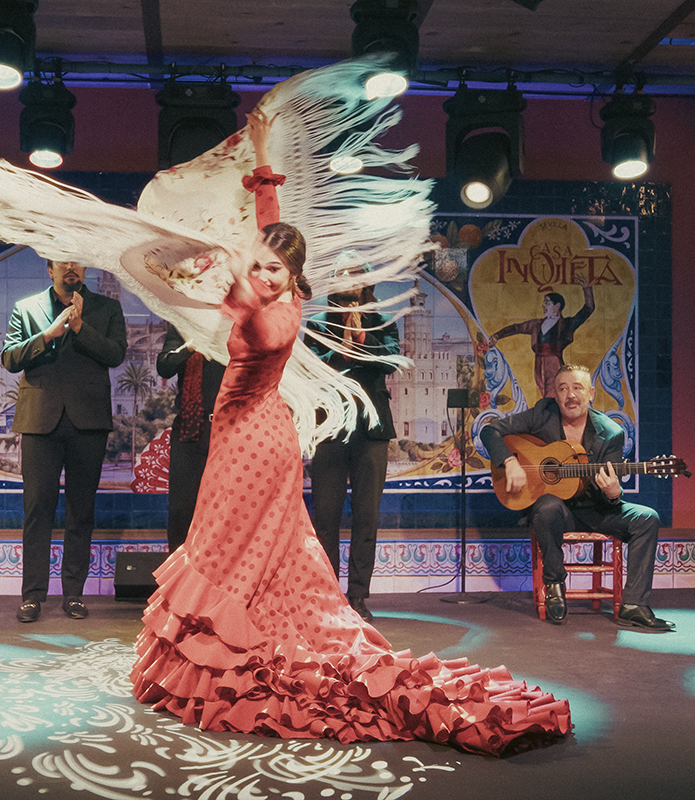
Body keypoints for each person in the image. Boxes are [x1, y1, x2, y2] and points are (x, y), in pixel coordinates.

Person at [130, 108, 570, 757]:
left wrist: (201, 267)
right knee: (228, 545)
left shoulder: (270, 315)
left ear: (292, 280)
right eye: (263, 266)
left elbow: (241, 282)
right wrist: (259, 156)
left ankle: (232, 653)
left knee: (234, 553)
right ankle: (219, 640)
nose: (265, 273)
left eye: (276, 270)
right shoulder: (275, 288)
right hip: (243, 436)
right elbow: (266, 234)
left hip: (254, 445)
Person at [480, 364, 673, 631]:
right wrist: (510, 462)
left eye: (577, 388)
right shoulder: (542, 414)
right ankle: (555, 586)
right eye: (563, 388)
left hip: (597, 510)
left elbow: (610, 497)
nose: (570, 395)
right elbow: (490, 431)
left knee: (647, 518)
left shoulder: (611, 433)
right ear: (555, 396)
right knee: (548, 506)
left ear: (591, 393)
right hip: (554, 514)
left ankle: (634, 606)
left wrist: (614, 493)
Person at [2, 260, 127, 623]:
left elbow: (116, 354)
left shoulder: (107, 308)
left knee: (80, 511)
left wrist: (80, 328)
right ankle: (32, 597)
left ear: (84, 270)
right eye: (62, 262)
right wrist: (47, 337)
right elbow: (9, 358)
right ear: (49, 269)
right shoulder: (26, 308)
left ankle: (73, 594)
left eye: (76, 262)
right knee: (37, 509)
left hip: (88, 420)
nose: (70, 268)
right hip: (40, 419)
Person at [304, 285, 399, 623]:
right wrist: (342, 347)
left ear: (368, 284)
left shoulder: (382, 321)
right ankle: (328, 596)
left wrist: (362, 337)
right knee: (326, 518)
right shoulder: (317, 323)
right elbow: (310, 366)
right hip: (330, 425)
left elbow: (389, 361)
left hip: (372, 430)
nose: (348, 283)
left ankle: (358, 595)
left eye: (355, 276)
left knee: (366, 517)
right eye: (341, 276)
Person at [156, 325, 225, 552]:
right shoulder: (182, 322)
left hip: (230, 430)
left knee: (225, 511)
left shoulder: (237, 323)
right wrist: (191, 345)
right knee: (181, 511)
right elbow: (164, 366)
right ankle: (179, 581)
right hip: (190, 427)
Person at [488, 275, 594, 398]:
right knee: (544, 392)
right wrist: (497, 335)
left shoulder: (567, 324)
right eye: (544, 303)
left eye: (547, 303)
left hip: (554, 362)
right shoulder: (536, 324)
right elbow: (516, 328)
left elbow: (588, 309)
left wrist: (587, 289)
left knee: (553, 393)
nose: (543, 306)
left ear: (557, 306)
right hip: (538, 362)